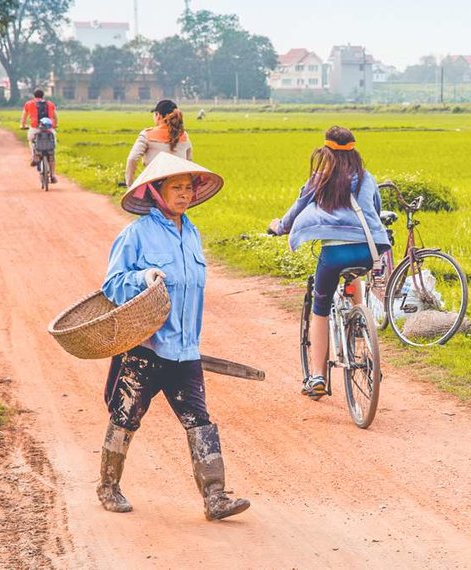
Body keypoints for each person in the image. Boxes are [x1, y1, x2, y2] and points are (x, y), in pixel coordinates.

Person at [98, 152, 250, 521]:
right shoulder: (135, 234)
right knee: (125, 416)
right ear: (155, 191)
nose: (183, 194)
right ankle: (108, 486)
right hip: (144, 348)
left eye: (187, 188)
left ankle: (215, 497)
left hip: (185, 351)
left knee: (199, 419)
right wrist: (143, 277)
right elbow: (112, 284)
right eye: (175, 188)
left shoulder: (192, 233)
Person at [268, 126, 390, 399]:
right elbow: (376, 210)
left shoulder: (320, 179)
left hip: (334, 255)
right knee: (353, 276)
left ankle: (318, 376)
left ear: (326, 152)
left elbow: (296, 211)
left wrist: (279, 227)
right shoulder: (366, 177)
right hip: (367, 252)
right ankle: (361, 333)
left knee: (321, 309)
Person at [125, 99, 192, 187]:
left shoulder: (147, 134)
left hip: (154, 183)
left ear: (158, 115)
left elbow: (132, 159)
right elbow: (189, 160)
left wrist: (130, 184)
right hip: (178, 184)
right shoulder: (183, 135)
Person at [20, 88, 57, 165]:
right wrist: (55, 125)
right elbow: (55, 117)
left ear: (34, 96)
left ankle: (34, 156)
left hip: (35, 128)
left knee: (31, 140)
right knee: (52, 144)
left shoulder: (29, 104)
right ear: (43, 96)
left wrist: (22, 125)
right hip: (49, 128)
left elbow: (24, 117)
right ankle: (52, 172)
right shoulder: (50, 104)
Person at [32, 117, 58, 184]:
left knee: (35, 150)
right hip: (49, 151)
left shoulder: (37, 133)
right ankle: (52, 176)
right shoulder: (52, 133)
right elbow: (54, 143)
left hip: (39, 151)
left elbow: (33, 141)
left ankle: (35, 160)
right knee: (52, 161)